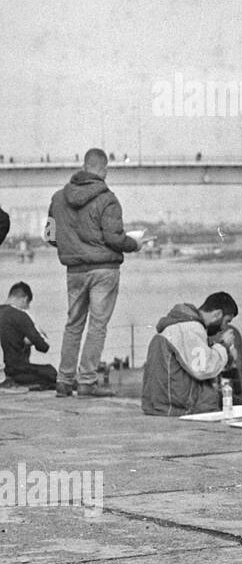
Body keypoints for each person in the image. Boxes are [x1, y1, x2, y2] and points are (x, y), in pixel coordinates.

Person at [46, 148, 140, 397]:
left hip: (74, 271)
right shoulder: (108, 199)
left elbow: (49, 236)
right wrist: (134, 244)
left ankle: (64, 380)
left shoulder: (57, 199)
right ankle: (87, 381)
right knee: (97, 326)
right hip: (103, 271)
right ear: (103, 169)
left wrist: (71, 246)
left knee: (73, 324)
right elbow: (114, 238)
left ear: (84, 165)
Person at [140, 292, 240, 417]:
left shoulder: (180, 326)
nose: (223, 328)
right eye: (226, 321)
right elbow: (203, 369)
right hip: (173, 405)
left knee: (229, 400)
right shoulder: (190, 328)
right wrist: (224, 346)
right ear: (217, 314)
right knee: (228, 403)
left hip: (160, 403)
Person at [0, 282, 57, 389]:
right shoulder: (20, 315)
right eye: (27, 304)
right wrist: (36, 336)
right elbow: (43, 347)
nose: (27, 307)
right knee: (50, 371)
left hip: (5, 368)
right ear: (24, 299)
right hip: (14, 370)